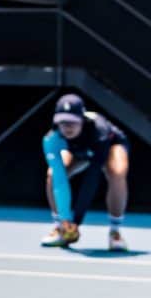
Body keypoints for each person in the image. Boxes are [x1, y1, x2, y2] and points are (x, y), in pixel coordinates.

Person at [41, 94, 130, 251]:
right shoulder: (51, 139)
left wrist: (76, 222)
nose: (68, 127)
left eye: (73, 122)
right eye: (63, 122)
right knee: (52, 175)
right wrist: (66, 221)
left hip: (109, 146)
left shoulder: (100, 132)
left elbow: (92, 177)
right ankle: (60, 227)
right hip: (79, 151)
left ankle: (115, 232)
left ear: (81, 119)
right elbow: (60, 181)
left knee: (117, 172)